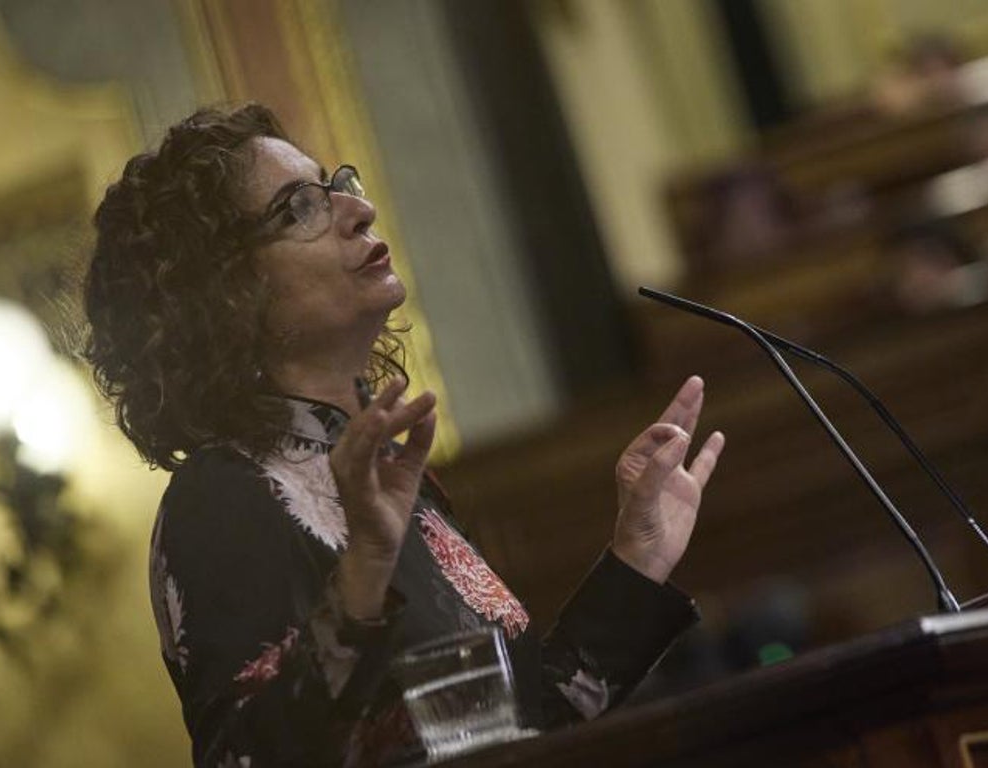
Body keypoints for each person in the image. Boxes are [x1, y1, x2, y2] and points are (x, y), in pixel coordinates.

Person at [83, 104, 726, 767]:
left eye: (335, 185)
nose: (356, 211)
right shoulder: (221, 497)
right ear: (224, 293)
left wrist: (636, 555)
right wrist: (363, 569)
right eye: (298, 207)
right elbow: (249, 759)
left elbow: (529, 725)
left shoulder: (391, 476)